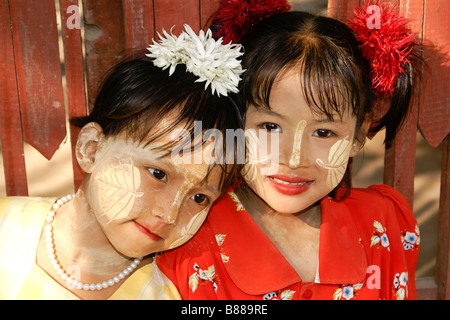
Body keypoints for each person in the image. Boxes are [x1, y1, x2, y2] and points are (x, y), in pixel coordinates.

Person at [157, 3, 421, 300]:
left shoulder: (381, 226)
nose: (294, 159)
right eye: (269, 126)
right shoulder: (185, 236)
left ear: (359, 135)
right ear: (233, 120)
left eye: (324, 133)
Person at [0, 25, 245, 300]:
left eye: (199, 197)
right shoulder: (6, 225)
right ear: (91, 149)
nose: (169, 214)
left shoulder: (163, 295)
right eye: (158, 174)